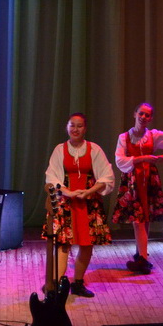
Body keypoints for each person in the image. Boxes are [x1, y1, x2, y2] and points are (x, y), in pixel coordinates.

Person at [111, 101, 163, 273]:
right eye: (141, 113)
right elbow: (120, 160)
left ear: (151, 118)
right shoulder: (124, 137)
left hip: (149, 179)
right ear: (135, 114)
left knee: (144, 218)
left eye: (147, 115)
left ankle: (141, 256)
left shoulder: (153, 135)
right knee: (138, 218)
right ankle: (142, 258)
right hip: (133, 180)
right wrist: (143, 158)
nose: (143, 117)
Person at [43, 113, 115, 298]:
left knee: (86, 243)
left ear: (85, 128)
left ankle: (78, 282)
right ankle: (56, 284)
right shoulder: (60, 149)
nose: (75, 129)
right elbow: (52, 176)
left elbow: (107, 176)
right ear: (67, 127)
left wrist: (90, 191)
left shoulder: (94, 149)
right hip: (66, 202)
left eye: (79, 126)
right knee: (63, 243)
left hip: (88, 203)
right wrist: (66, 191)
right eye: (72, 125)